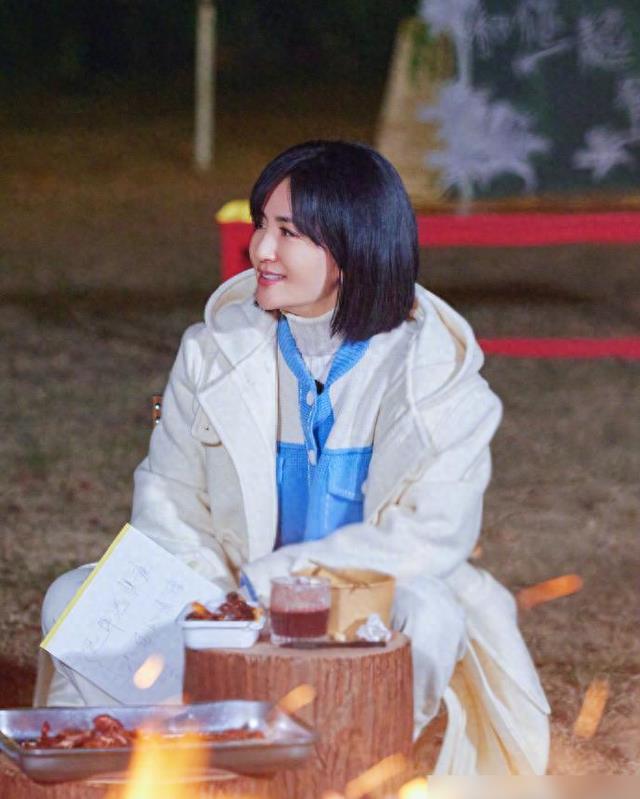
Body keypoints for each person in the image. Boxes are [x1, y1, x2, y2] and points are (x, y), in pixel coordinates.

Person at [40, 140, 550, 774]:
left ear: (353, 249)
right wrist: (222, 607)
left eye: (288, 232)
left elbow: (433, 534)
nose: (261, 249)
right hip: (230, 600)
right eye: (262, 224)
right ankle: (210, 756)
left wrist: (287, 581)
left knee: (430, 615)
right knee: (76, 597)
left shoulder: (436, 376)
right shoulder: (210, 350)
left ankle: (351, 765)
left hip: (359, 611)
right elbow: (168, 498)